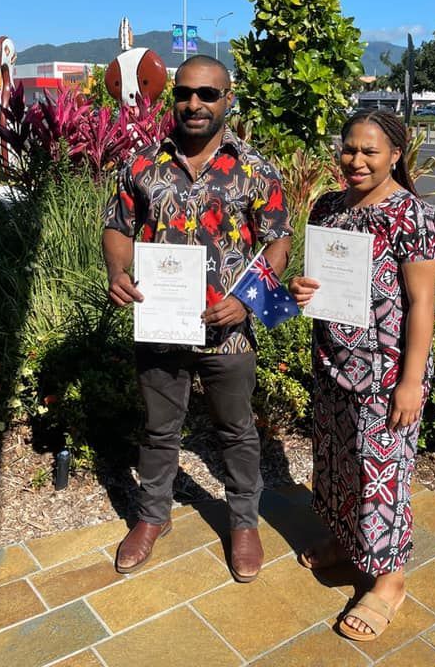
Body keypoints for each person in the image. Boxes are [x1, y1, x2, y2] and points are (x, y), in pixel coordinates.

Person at [103, 54, 291, 582]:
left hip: (228, 330)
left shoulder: (255, 169)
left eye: (207, 95)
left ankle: (243, 523)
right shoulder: (142, 163)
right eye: (185, 93)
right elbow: (117, 225)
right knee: (160, 429)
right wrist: (118, 269)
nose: (194, 104)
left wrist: (251, 297)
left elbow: (278, 241)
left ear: (227, 100)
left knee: (236, 431)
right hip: (161, 326)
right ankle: (152, 517)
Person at [289, 109, 435, 642]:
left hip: (386, 373)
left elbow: (422, 304)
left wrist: (411, 380)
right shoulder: (329, 207)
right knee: (337, 460)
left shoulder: (411, 216)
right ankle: (347, 541)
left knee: (383, 473)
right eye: (348, 149)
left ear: (395, 156)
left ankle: (388, 579)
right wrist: (301, 290)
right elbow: (317, 277)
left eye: (369, 152)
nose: (355, 160)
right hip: (334, 363)